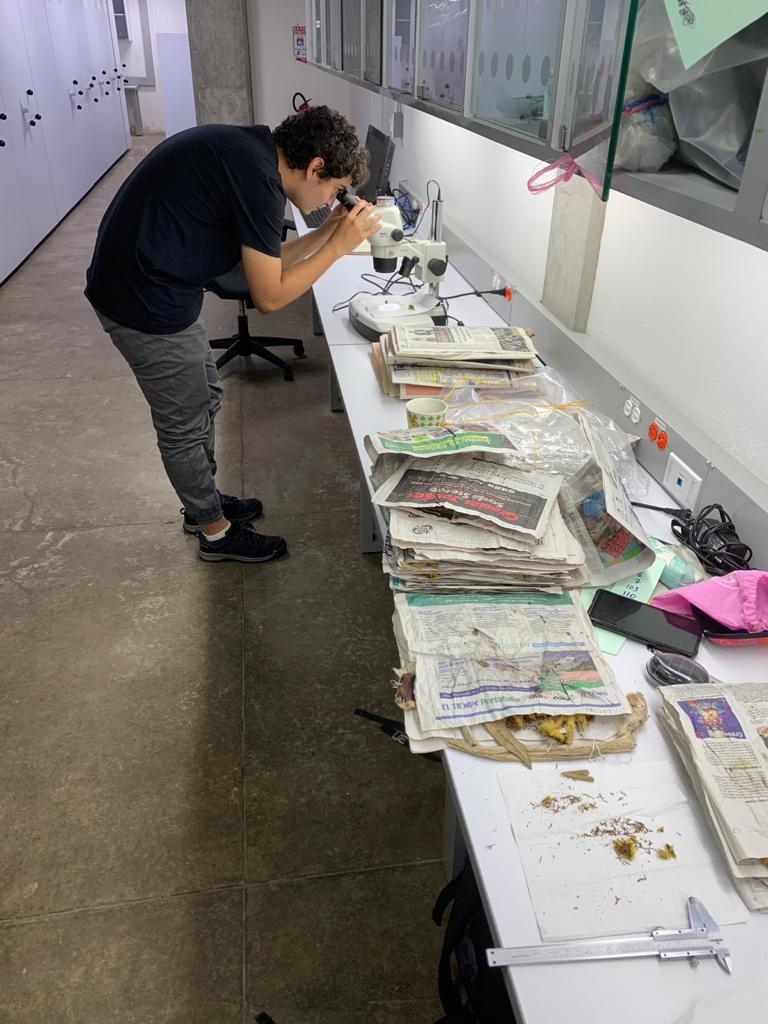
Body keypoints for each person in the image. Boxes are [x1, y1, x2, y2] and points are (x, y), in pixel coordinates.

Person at [85, 106, 381, 563]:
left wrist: (327, 233)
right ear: (315, 167)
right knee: (183, 422)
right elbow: (270, 296)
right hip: (142, 298)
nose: (331, 200)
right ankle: (215, 532)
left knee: (204, 395)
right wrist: (339, 248)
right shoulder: (259, 180)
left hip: (163, 280)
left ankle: (201, 501)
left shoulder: (254, 155)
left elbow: (268, 258)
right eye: (335, 190)